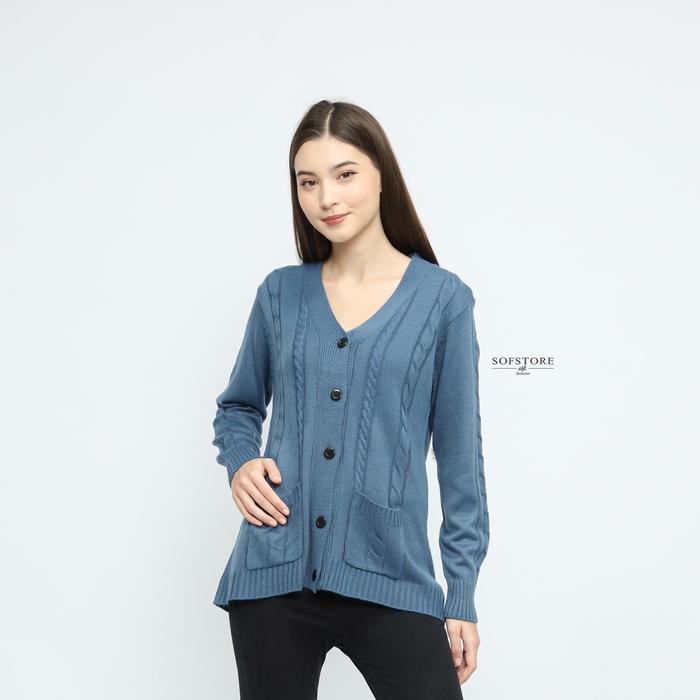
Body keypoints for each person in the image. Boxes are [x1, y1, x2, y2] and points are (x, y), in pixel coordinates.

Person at [211, 99, 490, 699]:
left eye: (345, 175)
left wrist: (461, 594)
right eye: (308, 182)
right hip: (274, 573)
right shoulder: (280, 294)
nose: (326, 198)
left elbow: (461, 461)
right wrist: (241, 462)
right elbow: (238, 407)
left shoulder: (443, 301)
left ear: (382, 174)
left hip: (392, 573)